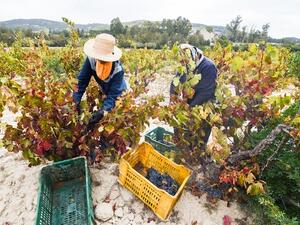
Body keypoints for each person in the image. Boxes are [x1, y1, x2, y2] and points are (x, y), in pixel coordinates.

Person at [73, 33, 126, 130]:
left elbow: (114, 95)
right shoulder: (91, 61)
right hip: (105, 91)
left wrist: (103, 111)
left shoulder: (118, 70)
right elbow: (81, 82)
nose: (100, 59)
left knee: (114, 121)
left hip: (120, 94)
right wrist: (75, 101)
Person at [170, 43, 218, 148]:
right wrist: (173, 98)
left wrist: (190, 108)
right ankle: (182, 150)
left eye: (186, 61)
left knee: (200, 133)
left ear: (194, 56)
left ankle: (198, 154)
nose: (184, 64)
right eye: (182, 62)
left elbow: (206, 92)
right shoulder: (185, 66)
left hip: (205, 104)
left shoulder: (208, 66)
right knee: (180, 128)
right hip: (190, 101)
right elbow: (175, 82)